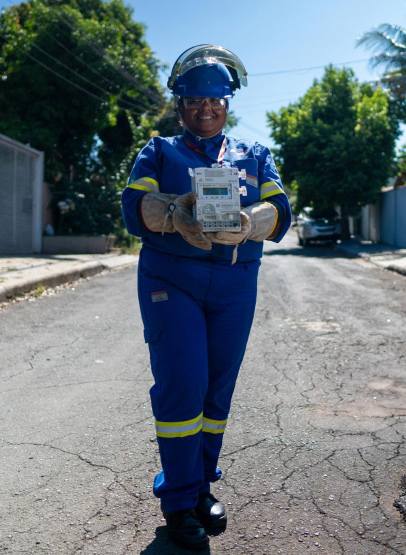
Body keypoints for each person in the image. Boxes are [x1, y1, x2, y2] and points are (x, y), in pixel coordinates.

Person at [121, 45, 292, 550]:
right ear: (180, 104)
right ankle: (178, 501)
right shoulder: (159, 151)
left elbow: (280, 212)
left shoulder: (253, 155)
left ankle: (200, 487)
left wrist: (249, 222)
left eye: (215, 100)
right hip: (171, 281)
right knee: (183, 385)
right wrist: (174, 213)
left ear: (227, 103)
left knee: (217, 391)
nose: (206, 108)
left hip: (236, 284)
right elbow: (134, 208)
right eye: (195, 99)